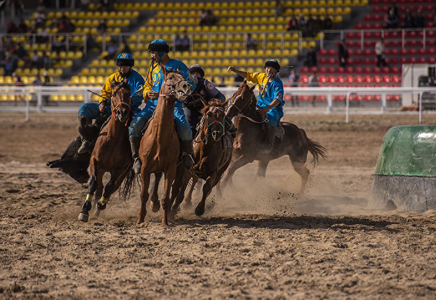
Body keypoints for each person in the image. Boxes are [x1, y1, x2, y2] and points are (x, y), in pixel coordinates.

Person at [129, 39, 197, 172]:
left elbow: (192, 83)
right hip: (152, 106)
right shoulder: (153, 68)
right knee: (134, 127)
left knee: (185, 130)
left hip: (173, 106)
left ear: (161, 52)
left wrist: (182, 86)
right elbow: (147, 85)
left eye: (153, 52)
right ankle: (136, 158)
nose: (152, 56)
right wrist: (147, 92)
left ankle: (187, 156)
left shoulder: (179, 65)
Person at [77, 53, 145, 155]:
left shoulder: (138, 79)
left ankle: (136, 155)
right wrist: (103, 103)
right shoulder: (112, 77)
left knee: (139, 125)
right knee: (84, 108)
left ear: (130, 66)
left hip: (130, 110)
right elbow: (105, 93)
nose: (122, 68)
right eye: (120, 66)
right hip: (111, 108)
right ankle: (86, 140)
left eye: (125, 66)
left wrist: (125, 102)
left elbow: (139, 94)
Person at [228, 59, 284, 154]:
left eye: (271, 68)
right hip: (259, 105)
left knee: (271, 118)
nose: (268, 70)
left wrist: (267, 109)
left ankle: (269, 144)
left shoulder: (278, 83)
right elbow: (248, 75)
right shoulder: (261, 76)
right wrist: (236, 71)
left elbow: (278, 99)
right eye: (267, 67)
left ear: (276, 70)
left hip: (272, 109)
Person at [184, 64, 237, 138]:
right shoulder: (184, 84)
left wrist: (212, 105)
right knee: (186, 124)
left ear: (201, 75)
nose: (195, 75)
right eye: (193, 73)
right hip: (189, 108)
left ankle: (233, 131)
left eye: (197, 73)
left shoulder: (206, 83)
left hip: (206, 107)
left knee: (220, 116)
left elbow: (221, 97)